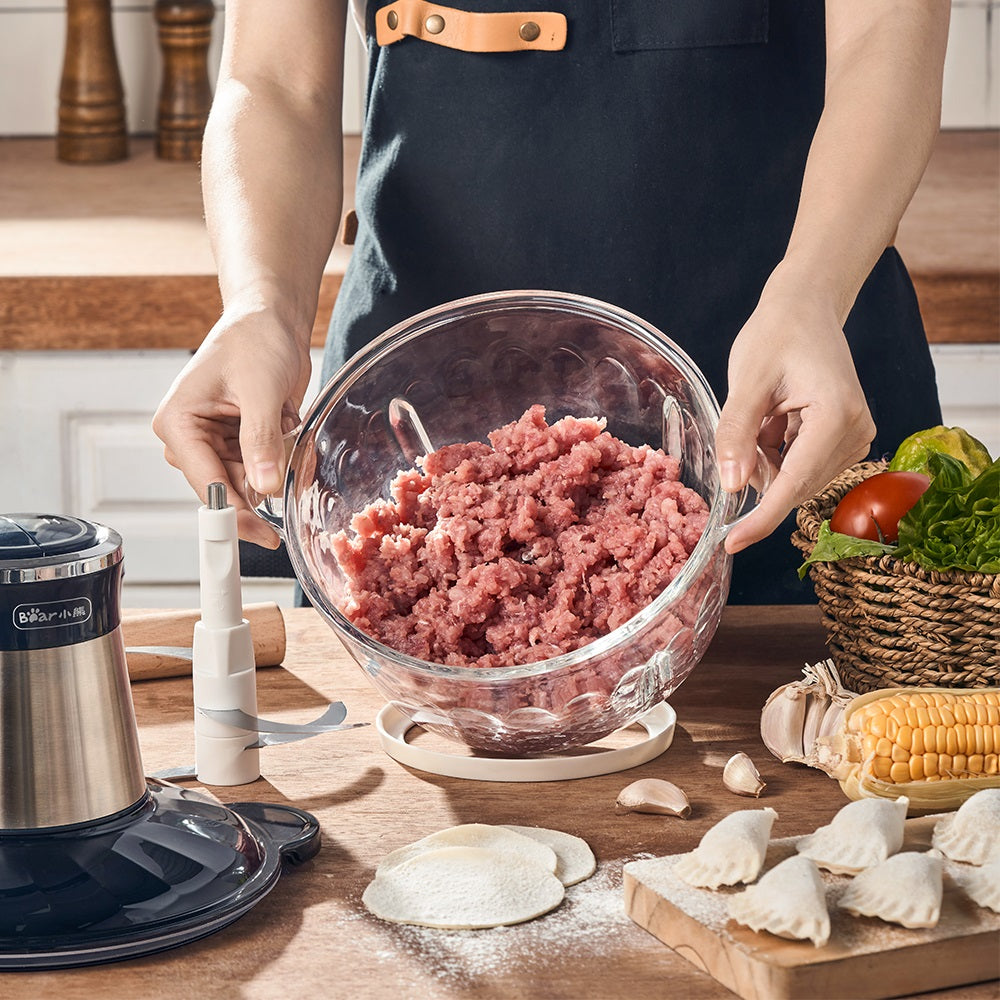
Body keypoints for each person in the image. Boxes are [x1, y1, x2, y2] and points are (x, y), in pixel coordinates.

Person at [153, 0, 950, 603]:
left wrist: (811, 291)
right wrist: (261, 304)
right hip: (426, 424)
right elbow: (274, 79)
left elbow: (888, 41)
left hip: (786, 391)